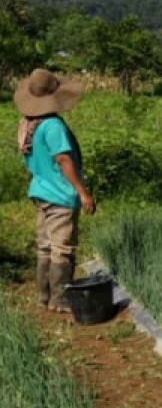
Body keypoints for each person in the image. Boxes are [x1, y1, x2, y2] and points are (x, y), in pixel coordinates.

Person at [14, 69, 96, 312]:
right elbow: (63, 159)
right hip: (60, 195)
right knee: (62, 247)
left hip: (40, 191)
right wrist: (83, 192)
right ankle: (60, 300)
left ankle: (44, 295)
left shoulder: (28, 123)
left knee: (45, 245)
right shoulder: (52, 126)